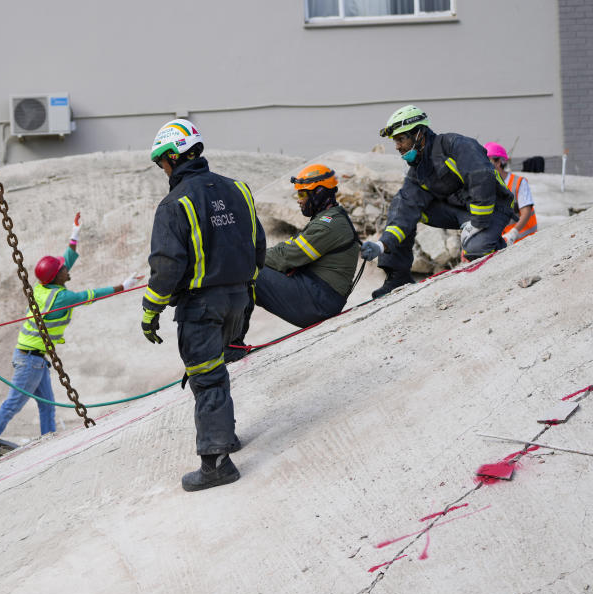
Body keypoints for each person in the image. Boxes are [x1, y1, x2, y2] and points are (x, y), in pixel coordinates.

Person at [141, 119, 265, 492]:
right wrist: (247, 290)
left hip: (201, 308)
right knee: (217, 372)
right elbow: (258, 245)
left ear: (173, 157)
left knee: (207, 377)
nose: (163, 169)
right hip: (239, 300)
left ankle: (215, 464)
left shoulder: (174, 203)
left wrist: (150, 311)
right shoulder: (239, 190)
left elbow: (166, 265)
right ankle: (226, 437)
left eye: (162, 162)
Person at [0, 213, 143, 441]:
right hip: (30, 360)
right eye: (63, 269)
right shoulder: (61, 298)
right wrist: (123, 286)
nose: (66, 268)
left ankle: (48, 442)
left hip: (33, 358)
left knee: (47, 407)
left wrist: (74, 235)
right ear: (58, 276)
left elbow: (64, 261)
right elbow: (91, 295)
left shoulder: (42, 287)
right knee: (12, 405)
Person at [362, 105, 517, 298]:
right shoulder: (418, 170)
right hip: (461, 212)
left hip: (492, 207)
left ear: (419, 134)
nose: (397, 146)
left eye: (401, 139)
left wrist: (478, 222)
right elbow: (405, 211)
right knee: (401, 202)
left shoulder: (455, 145)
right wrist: (381, 245)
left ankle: (502, 248)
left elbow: (481, 177)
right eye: (396, 141)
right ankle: (397, 276)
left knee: (476, 250)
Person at [229, 164, 359, 357]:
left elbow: (286, 257)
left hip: (319, 302)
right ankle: (232, 342)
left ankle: (232, 345)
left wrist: (248, 256)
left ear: (319, 193)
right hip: (319, 294)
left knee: (247, 271)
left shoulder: (327, 226)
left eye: (302, 195)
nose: (299, 201)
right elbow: (287, 250)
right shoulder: (327, 218)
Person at [484, 142, 538, 245]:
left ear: (499, 162)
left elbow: (526, 212)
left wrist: (513, 234)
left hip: (527, 241)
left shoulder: (518, 183)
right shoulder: (488, 186)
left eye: (487, 162)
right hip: (504, 244)